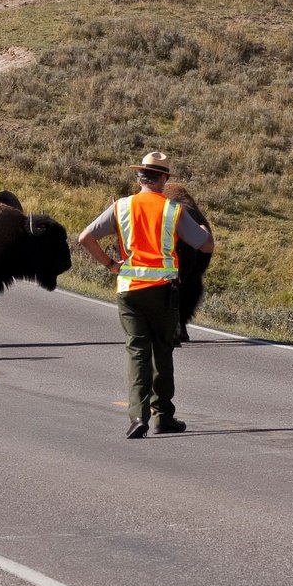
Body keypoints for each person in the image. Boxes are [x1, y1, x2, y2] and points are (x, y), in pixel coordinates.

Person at [79, 151, 215, 440]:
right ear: (163, 178)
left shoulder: (121, 207)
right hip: (164, 291)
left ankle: (138, 416)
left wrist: (110, 265)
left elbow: (84, 238)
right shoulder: (172, 210)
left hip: (129, 291)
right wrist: (204, 230)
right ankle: (163, 416)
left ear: (139, 177)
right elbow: (205, 247)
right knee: (162, 351)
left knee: (138, 352)